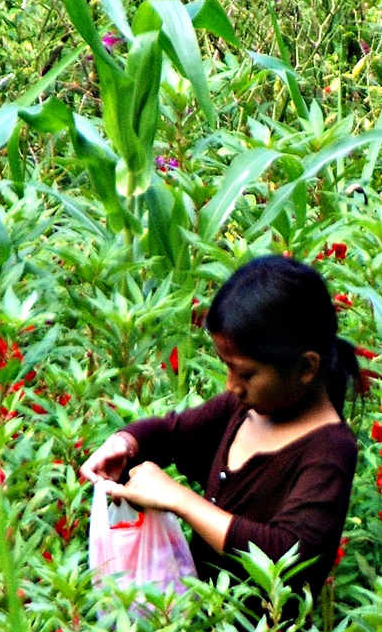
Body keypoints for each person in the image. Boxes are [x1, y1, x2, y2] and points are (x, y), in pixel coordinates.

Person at [79, 255, 363, 597]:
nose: (231, 385)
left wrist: (179, 499)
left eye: (245, 373)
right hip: (200, 623)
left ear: (306, 367)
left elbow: (285, 557)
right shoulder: (241, 410)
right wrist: (125, 444)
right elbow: (170, 434)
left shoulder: (328, 451)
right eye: (226, 367)